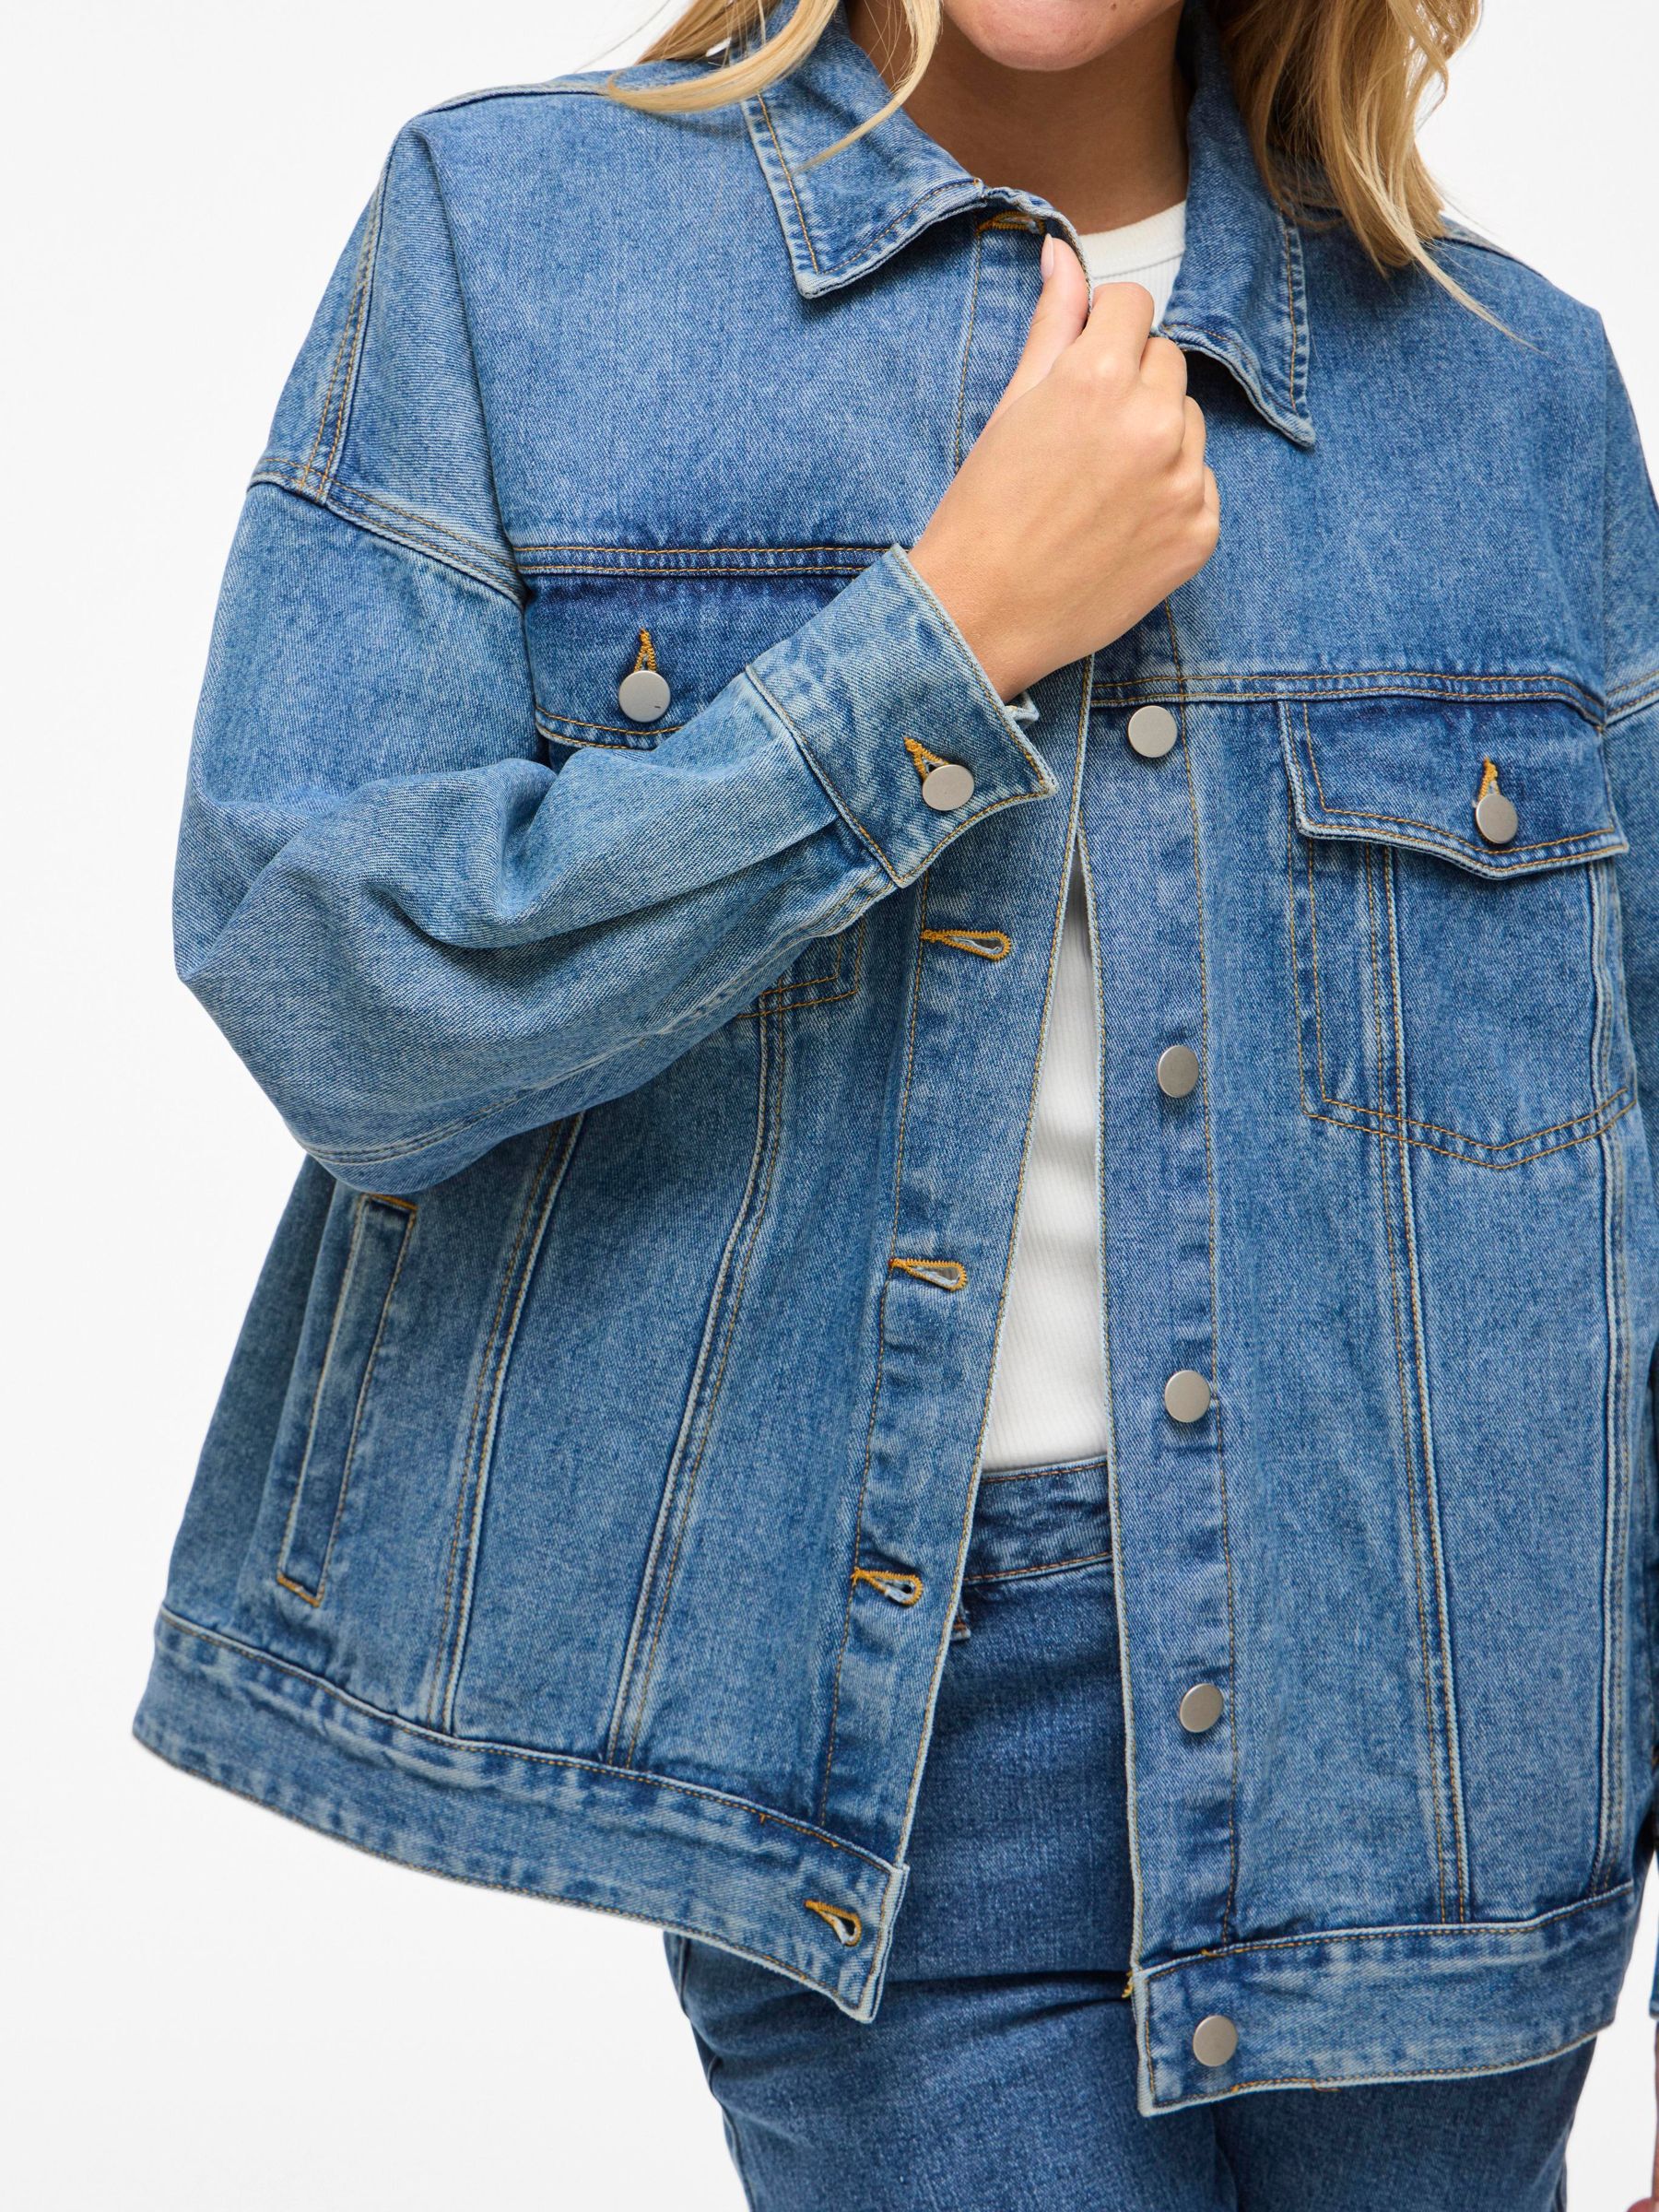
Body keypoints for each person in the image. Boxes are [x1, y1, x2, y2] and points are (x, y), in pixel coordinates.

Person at [132, 0, 1659, 2204]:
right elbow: (329, 982)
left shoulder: (1514, 385)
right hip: (913, 1766)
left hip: (1462, 1741)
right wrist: (939, 644)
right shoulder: (518, 246)